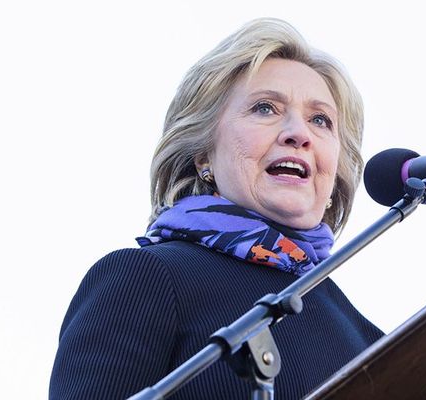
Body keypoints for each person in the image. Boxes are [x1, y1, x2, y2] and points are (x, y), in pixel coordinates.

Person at [49, 17, 384, 399]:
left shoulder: (368, 337)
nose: (299, 133)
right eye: (265, 108)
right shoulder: (147, 277)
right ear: (203, 152)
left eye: (320, 120)